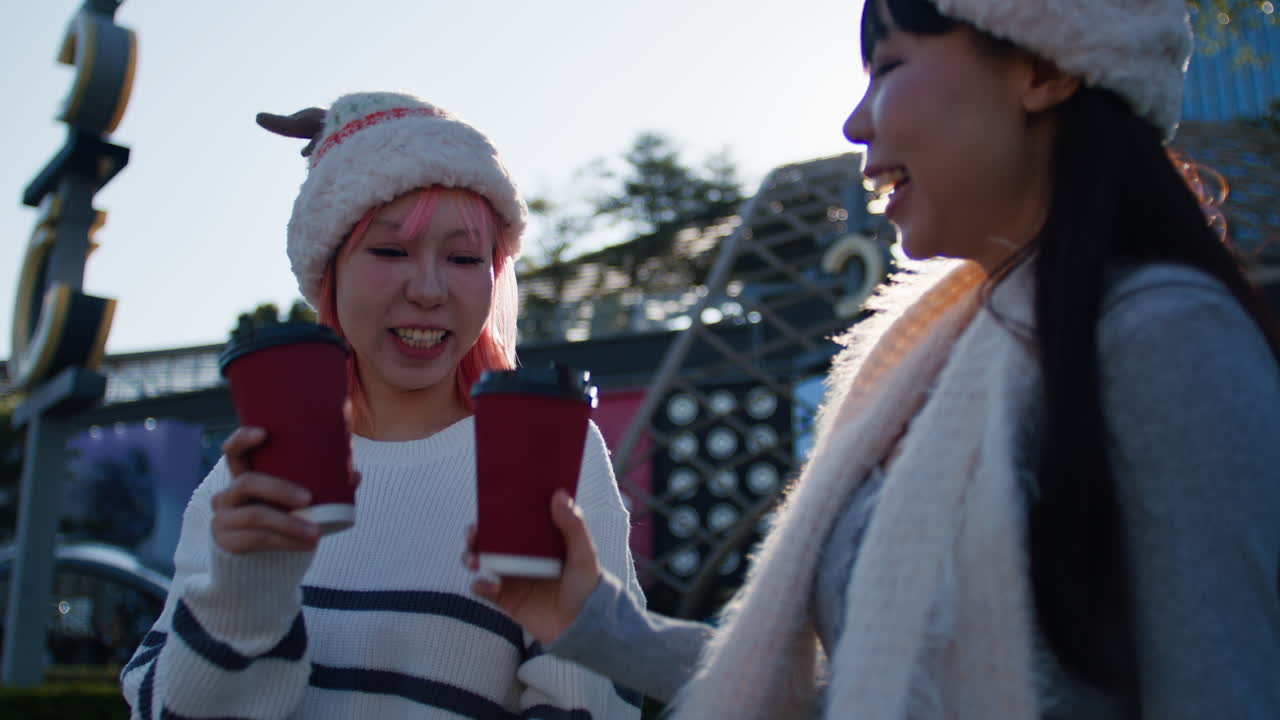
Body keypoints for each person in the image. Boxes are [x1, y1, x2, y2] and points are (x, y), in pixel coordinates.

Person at [465, 0, 1280, 718]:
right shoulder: (943, 355)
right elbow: (862, 694)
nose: (856, 122)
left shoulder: (1165, 337)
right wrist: (588, 618)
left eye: (888, 65)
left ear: (1042, 68)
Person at [120, 91, 644, 720]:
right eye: (390, 251)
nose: (427, 290)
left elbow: (596, 703)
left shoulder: (550, 449)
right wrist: (241, 600)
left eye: (464, 258)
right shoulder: (254, 480)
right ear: (328, 273)